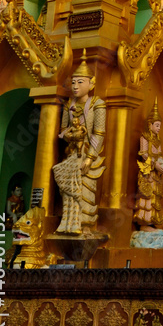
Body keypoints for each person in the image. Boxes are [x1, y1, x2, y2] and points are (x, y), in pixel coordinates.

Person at [52, 51, 106, 234]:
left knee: (85, 192)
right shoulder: (69, 104)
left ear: (92, 84)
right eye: (73, 82)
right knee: (67, 192)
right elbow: (62, 129)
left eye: (80, 82)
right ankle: (68, 224)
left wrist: (90, 159)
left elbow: (99, 133)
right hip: (71, 153)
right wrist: (70, 135)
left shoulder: (97, 104)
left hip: (88, 155)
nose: (75, 86)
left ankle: (84, 226)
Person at [133, 102, 163, 230]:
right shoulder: (145, 137)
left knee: (154, 197)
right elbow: (143, 154)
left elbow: (159, 154)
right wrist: (154, 164)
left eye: (160, 125)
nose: (159, 128)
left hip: (156, 173)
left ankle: (151, 221)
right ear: (150, 125)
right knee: (146, 197)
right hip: (147, 171)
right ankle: (144, 222)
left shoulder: (158, 140)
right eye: (157, 125)